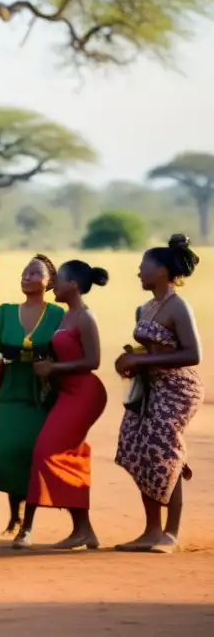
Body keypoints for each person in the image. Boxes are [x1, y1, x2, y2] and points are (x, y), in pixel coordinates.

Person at [114, 234, 204, 553]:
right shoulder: (147, 307)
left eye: (144, 267)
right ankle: (151, 530)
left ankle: (171, 533)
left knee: (165, 450)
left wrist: (143, 359)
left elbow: (193, 355)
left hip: (178, 388)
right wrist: (131, 361)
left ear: (163, 271)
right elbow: (149, 349)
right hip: (150, 387)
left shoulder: (178, 307)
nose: (139, 272)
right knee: (139, 448)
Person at [16, 259, 108, 550]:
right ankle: (84, 530)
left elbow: (93, 361)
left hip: (84, 393)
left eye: (60, 280)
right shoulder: (64, 316)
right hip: (67, 393)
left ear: (75, 286)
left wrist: (53, 370)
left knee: (46, 450)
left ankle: (82, 529)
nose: (54, 284)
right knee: (64, 454)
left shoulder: (84, 318)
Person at [0, 255, 65, 536]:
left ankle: (28, 525)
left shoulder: (57, 314)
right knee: (3, 454)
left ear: (50, 282)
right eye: (24, 272)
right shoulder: (4, 312)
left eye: (35, 273)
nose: (27, 276)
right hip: (7, 394)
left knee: (31, 457)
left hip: (40, 397)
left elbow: (64, 352)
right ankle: (14, 515)